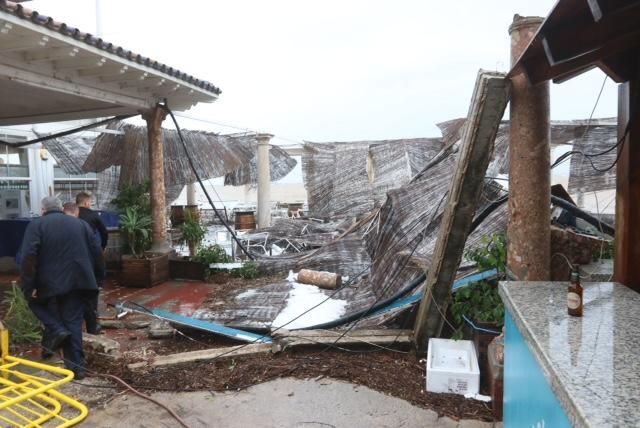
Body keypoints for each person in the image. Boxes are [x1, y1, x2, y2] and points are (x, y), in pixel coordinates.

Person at [20, 196, 104, 379]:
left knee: (33, 302)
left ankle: (55, 329)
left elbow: (28, 256)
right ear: (60, 208)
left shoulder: (37, 225)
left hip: (49, 284)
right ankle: (77, 368)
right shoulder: (81, 225)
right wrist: (98, 279)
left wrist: (29, 284)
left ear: (43, 210)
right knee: (73, 322)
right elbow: (97, 252)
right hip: (80, 282)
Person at [75, 193, 108, 335]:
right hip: (90, 254)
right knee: (91, 291)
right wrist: (103, 246)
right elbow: (104, 232)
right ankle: (92, 326)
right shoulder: (94, 216)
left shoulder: (70, 216)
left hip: (71, 255)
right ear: (87, 202)